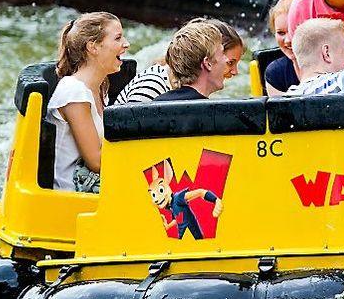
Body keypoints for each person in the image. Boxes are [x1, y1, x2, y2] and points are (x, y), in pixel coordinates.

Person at [47, 12, 130, 193]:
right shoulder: (74, 91)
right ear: (93, 47)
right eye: (117, 38)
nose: (126, 44)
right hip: (71, 197)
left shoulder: (99, 88)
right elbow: (96, 162)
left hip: (92, 187)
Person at [115, 18, 243, 104]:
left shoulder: (193, 87)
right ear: (207, 61)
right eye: (229, 62)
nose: (235, 72)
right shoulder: (152, 84)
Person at [153, 21, 244, 101]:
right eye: (222, 55)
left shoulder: (156, 102)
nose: (225, 60)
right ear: (207, 63)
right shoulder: (214, 114)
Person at [263, 0, 301, 96]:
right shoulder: (275, 73)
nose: (288, 40)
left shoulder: (334, 64)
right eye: (281, 33)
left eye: (293, 31)